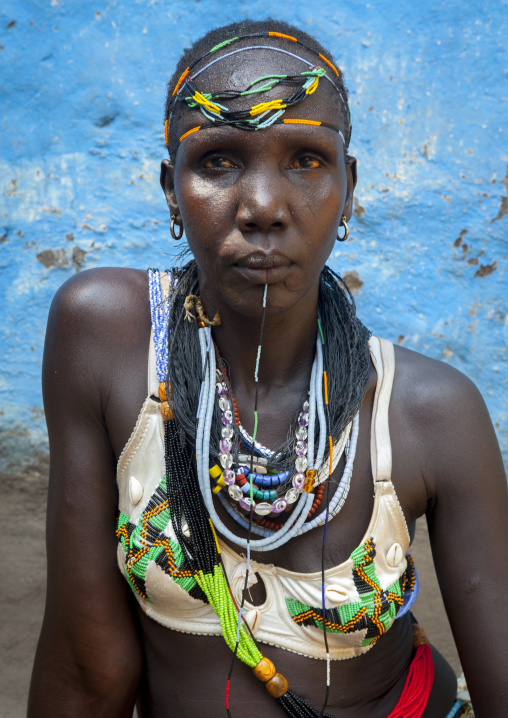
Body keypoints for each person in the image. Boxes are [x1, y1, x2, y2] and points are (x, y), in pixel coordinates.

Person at [28, 18, 508, 718]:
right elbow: (87, 662)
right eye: (218, 160)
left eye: (307, 161)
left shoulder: (430, 413)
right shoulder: (106, 337)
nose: (261, 207)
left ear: (349, 188)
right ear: (171, 189)